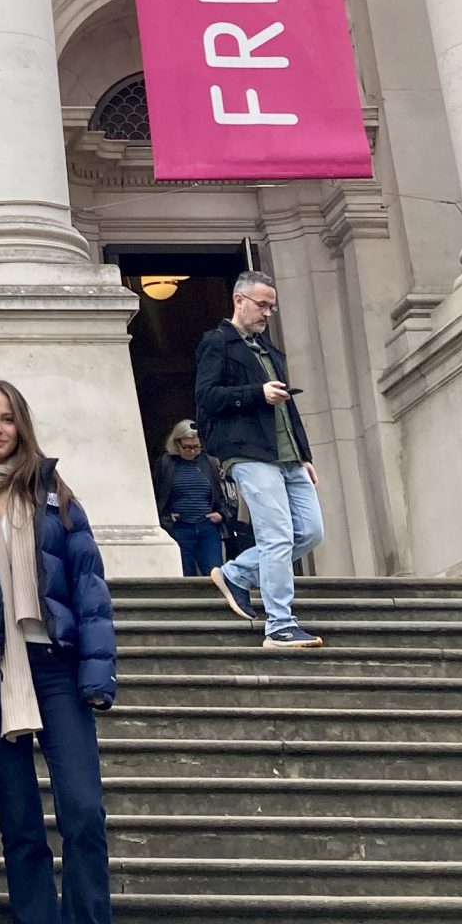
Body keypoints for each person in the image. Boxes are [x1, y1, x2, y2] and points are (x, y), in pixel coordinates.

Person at [0, 378, 133, 924]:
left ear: (22, 426)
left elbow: (89, 584)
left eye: (7, 419)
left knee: (82, 813)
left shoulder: (55, 493)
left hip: (55, 666)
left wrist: (98, 674)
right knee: (21, 824)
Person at [194, 272, 324, 650]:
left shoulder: (267, 348)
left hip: (287, 456)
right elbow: (206, 396)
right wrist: (256, 393)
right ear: (239, 300)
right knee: (276, 535)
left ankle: (236, 573)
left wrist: (304, 454)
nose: (268, 312)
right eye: (262, 304)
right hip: (248, 451)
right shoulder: (218, 341)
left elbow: (288, 407)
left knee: (310, 531)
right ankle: (280, 625)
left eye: (272, 306)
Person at [154, 420, 232, 576]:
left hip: (207, 527)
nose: (192, 451)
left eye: (196, 447)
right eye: (187, 447)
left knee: (214, 573)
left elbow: (219, 495)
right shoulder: (165, 463)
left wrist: (221, 514)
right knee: (185, 574)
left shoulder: (209, 463)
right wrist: (165, 517)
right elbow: (157, 494)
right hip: (178, 527)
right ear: (177, 443)